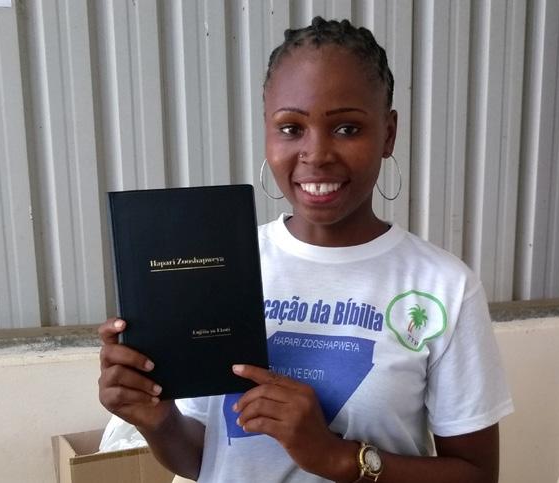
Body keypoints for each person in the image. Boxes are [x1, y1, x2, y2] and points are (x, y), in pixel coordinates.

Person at [98, 17, 513, 483]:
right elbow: (205, 459)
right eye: (291, 128)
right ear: (267, 132)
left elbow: (477, 476)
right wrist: (158, 421)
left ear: (388, 133)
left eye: (347, 129)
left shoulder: (445, 287)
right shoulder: (220, 267)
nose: (316, 154)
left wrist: (337, 457)